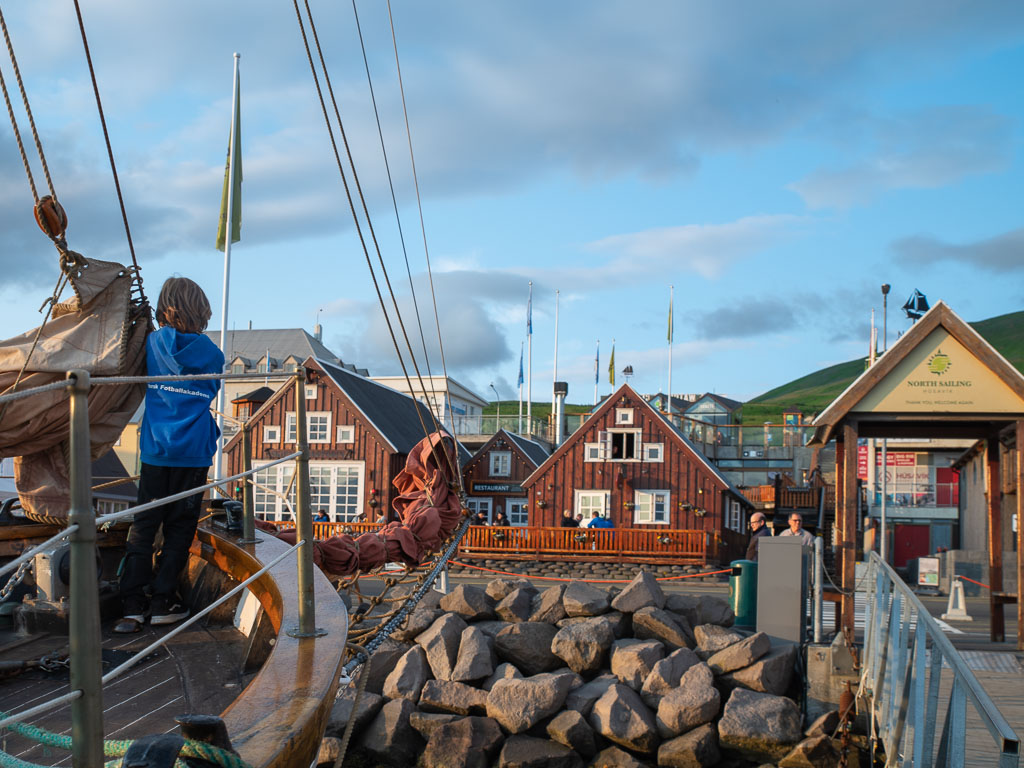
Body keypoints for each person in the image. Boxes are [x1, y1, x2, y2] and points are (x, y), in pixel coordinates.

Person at [116, 277, 224, 633]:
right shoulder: (213, 354)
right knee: (180, 529)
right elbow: (210, 389)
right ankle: (163, 601)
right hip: (193, 453)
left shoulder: (151, 344)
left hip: (156, 449)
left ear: (165, 308)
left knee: (144, 525)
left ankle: (131, 604)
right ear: (202, 310)